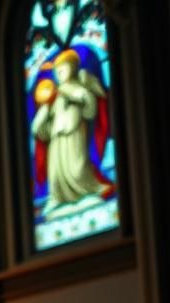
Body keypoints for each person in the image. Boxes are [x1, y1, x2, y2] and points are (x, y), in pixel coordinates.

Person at [31, 48, 114, 216]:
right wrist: (44, 112)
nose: (60, 72)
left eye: (64, 68)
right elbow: (42, 131)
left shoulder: (79, 87)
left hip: (74, 134)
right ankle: (57, 199)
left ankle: (86, 193)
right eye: (57, 70)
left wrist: (74, 94)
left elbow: (90, 110)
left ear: (73, 68)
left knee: (77, 168)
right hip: (56, 140)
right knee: (55, 176)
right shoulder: (55, 97)